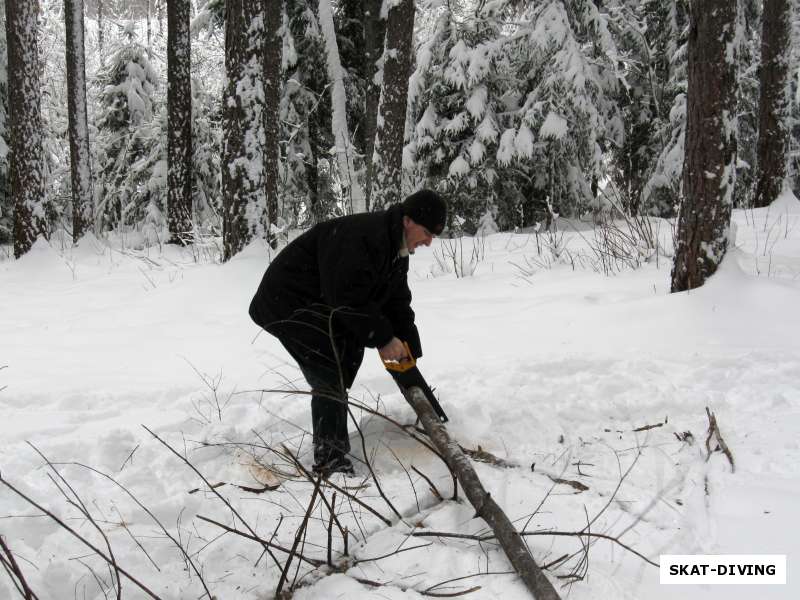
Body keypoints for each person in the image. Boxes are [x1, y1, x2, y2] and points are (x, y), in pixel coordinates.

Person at [249, 190, 447, 475]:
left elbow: (396, 301)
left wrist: (407, 347)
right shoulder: (364, 238)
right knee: (329, 367)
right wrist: (383, 338)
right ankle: (330, 460)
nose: (428, 242)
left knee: (342, 354)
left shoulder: (396, 249)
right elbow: (347, 298)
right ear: (407, 221)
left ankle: (332, 447)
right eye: (427, 232)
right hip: (287, 301)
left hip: (319, 302)